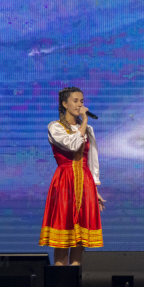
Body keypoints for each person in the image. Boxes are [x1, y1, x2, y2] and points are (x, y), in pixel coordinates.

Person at [40, 87, 106, 265]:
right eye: (75, 101)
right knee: (63, 237)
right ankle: (60, 283)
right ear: (64, 104)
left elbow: (92, 159)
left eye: (82, 101)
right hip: (64, 181)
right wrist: (84, 121)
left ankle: (76, 281)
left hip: (85, 182)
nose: (79, 105)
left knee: (80, 240)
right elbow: (72, 145)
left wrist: (95, 188)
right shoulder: (55, 127)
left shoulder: (88, 129)